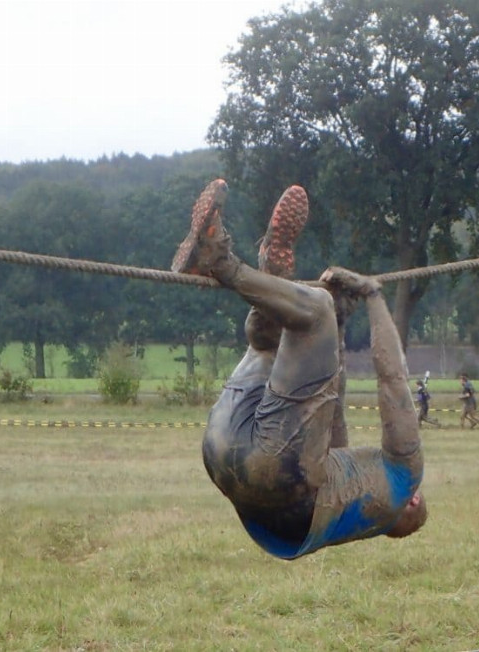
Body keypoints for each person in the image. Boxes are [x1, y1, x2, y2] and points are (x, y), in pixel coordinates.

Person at [174, 179, 426, 560]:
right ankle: (274, 284)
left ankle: (219, 260)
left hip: (279, 476)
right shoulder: (357, 505)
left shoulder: (405, 480)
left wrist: (372, 294)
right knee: (271, 344)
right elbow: (326, 409)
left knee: (315, 311)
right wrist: (339, 329)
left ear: (415, 500)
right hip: (226, 461)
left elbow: (393, 383)